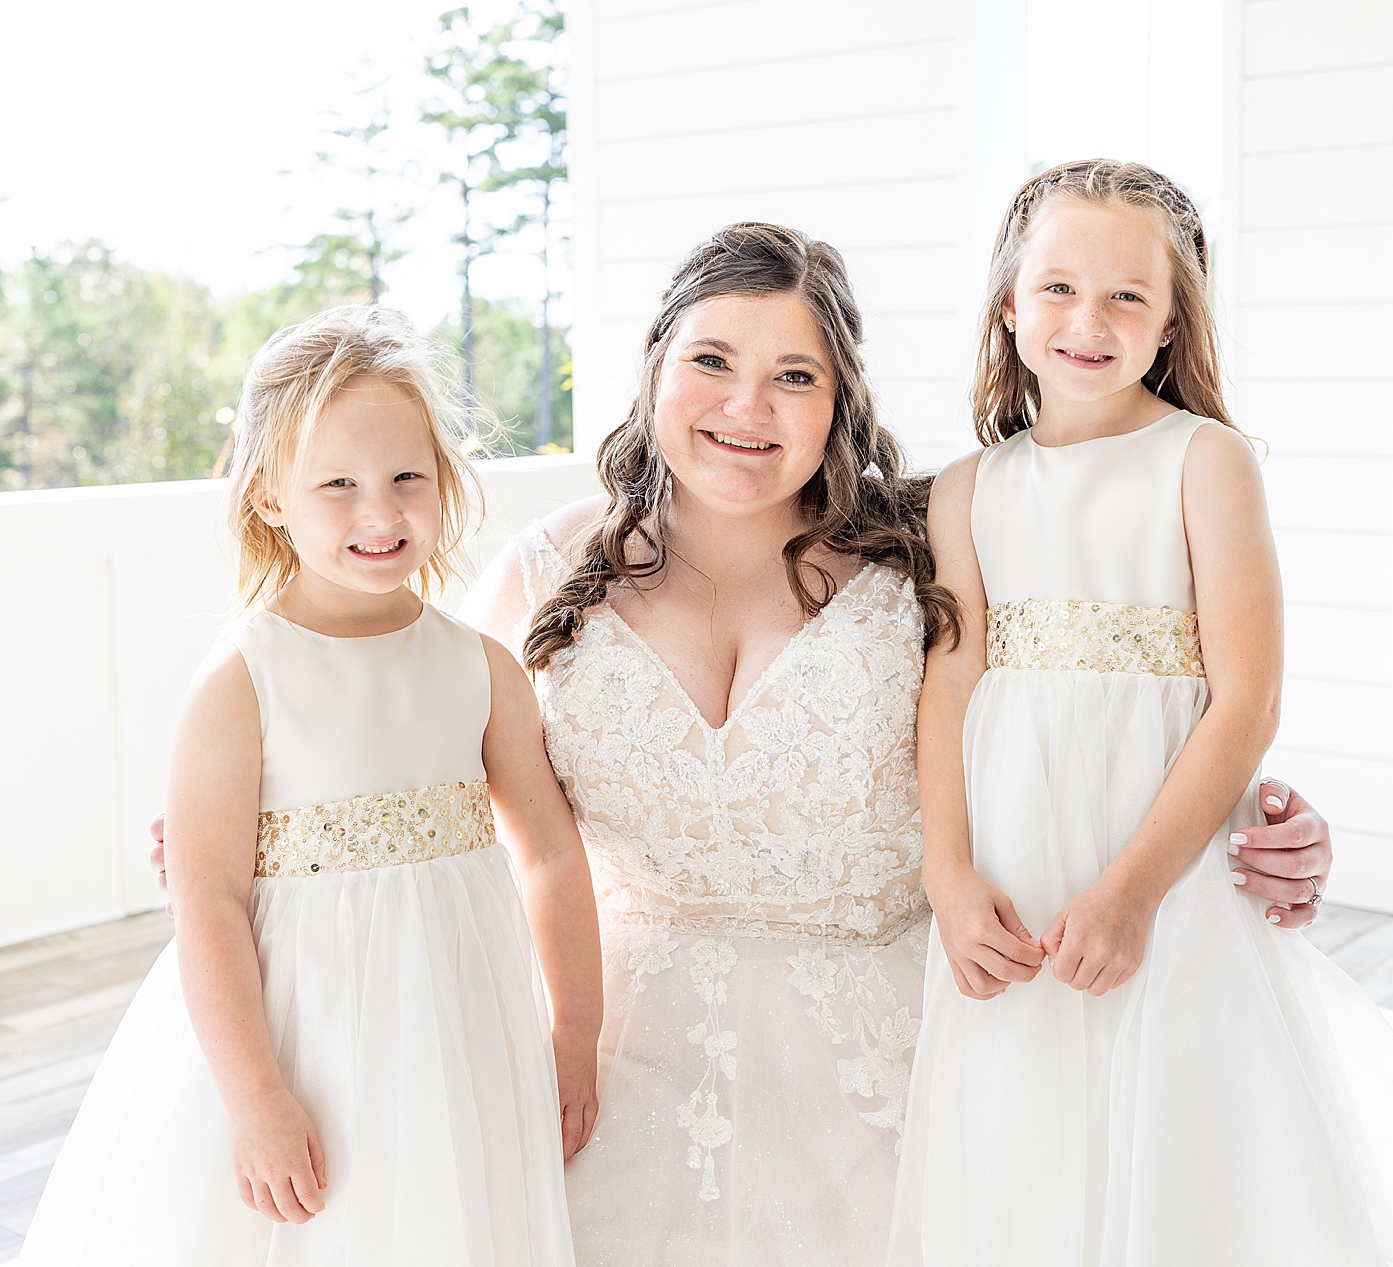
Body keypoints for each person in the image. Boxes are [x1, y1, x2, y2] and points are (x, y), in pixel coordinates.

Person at [457, 222, 1337, 1266]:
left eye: (794, 374)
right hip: (611, 1056)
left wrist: (1266, 820)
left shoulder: (933, 545)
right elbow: (433, 811)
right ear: (653, 364)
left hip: (900, 1064)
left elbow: (1098, 706)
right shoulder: (536, 578)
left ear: (841, 403)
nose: (747, 408)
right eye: (710, 361)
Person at [891, 161, 1393, 1267]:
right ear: (1007, 306)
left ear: (1170, 325)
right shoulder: (963, 489)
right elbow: (948, 681)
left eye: (1126, 297)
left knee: (1187, 1123)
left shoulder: (1204, 461)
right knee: (1019, 1125)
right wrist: (947, 876)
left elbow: (1248, 696)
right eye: (1055, 289)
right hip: (1017, 855)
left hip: (1166, 868)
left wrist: (1131, 892)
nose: (1085, 321)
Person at [25, 307, 600, 1266]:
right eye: (337, 483)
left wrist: (574, 1026)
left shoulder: (479, 668)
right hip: (306, 1034)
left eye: (407, 477)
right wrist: (257, 1100)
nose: (380, 512)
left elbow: (545, 849)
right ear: (267, 497)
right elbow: (205, 897)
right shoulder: (243, 677)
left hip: (457, 1024)